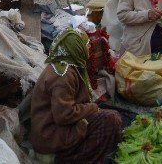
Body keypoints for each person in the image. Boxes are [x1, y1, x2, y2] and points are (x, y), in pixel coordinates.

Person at [30, 28, 122, 163]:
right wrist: (91, 108)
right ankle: (73, 159)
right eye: (86, 45)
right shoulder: (62, 75)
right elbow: (64, 115)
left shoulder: (66, 66)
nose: (88, 48)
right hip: (50, 135)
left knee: (107, 116)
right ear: (76, 48)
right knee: (111, 120)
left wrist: (90, 108)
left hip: (52, 128)